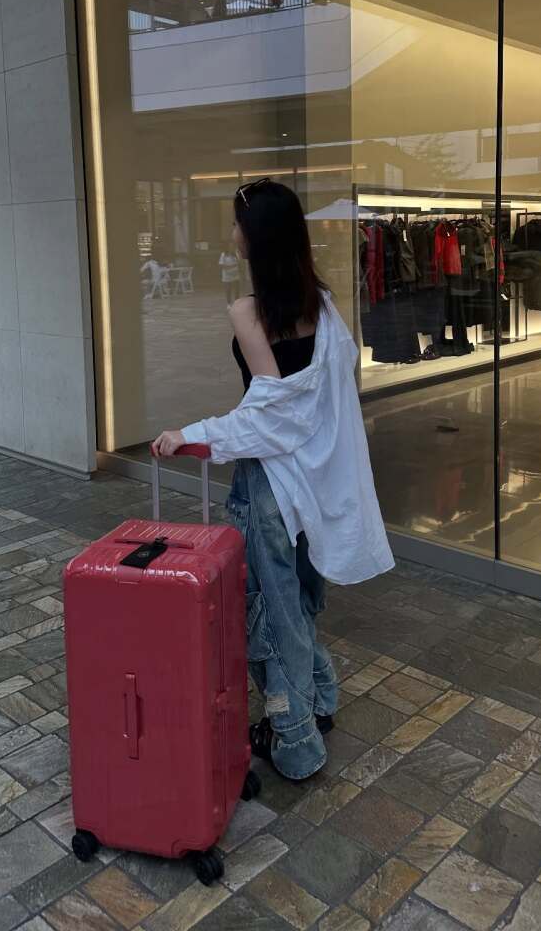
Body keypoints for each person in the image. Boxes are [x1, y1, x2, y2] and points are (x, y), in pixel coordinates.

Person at [152, 178, 393, 781]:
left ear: (255, 237)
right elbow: (315, 403)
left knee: (269, 611)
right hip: (319, 479)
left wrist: (189, 434)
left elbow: (267, 418)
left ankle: (296, 742)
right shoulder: (324, 306)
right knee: (298, 605)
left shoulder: (247, 312)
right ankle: (321, 695)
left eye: (236, 223)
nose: (231, 233)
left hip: (271, 486)